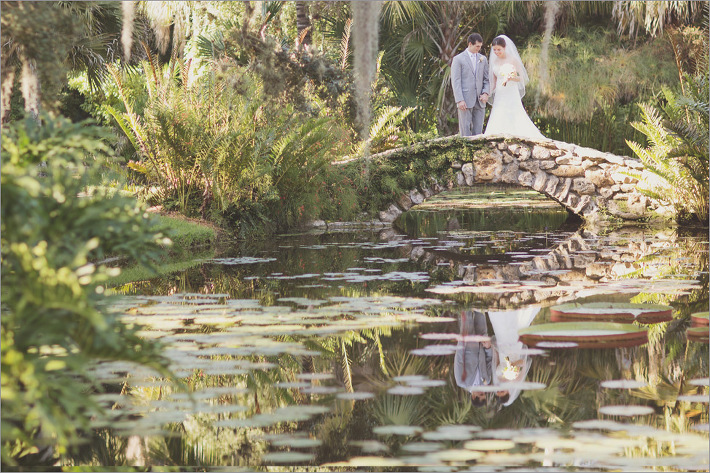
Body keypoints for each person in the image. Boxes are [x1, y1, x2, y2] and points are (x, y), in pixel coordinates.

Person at [484, 35, 545, 140]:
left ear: (504, 48)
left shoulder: (513, 60)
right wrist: (487, 94)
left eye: (499, 49)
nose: (497, 52)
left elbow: (521, 78)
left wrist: (511, 77)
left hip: (511, 91)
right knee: (498, 111)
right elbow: (493, 83)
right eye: (494, 50)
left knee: (513, 111)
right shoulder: (494, 62)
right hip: (500, 92)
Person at [488, 306, 541, 406]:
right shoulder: (516, 381)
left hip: (502, 346)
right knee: (517, 326)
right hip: (514, 347)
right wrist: (512, 366)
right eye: (502, 392)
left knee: (500, 326)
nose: (500, 389)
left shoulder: (497, 379)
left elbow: (497, 361)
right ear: (508, 392)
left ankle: (500, 306)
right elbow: (523, 363)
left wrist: (493, 347)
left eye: (498, 392)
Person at [451, 33, 490, 136]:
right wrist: (460, 100)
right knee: (465, 131)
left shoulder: (483, 59)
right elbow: (456, 81)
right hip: (465, 99)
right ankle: (465, 151)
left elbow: (487, 79)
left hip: (480, 100)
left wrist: (486, 93)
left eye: (480, 46)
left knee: (478, 132)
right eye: (477, 46)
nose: (479, 49)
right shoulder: (458, 59)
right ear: (470, 44)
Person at [453, 309, 493, 406]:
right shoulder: (487, 381)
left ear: (474, 396)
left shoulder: (461, 382)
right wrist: (488, 347)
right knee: (481, 312)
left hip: (468, 340)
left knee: (467, 311)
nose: (482, 391)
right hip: (482, 339)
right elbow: (489, 360)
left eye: (480, 394)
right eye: (484, 393)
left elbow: (459, 359)